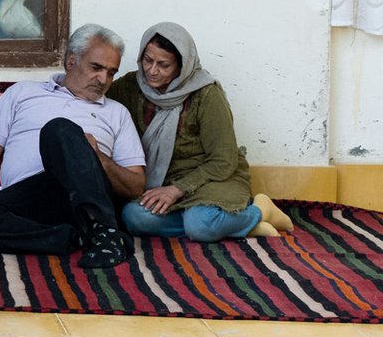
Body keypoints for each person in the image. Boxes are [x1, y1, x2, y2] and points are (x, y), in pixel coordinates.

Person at [0, 24, 147, 268]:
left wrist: (97, 156)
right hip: (27, 198)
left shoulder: (116, 112)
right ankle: (78, 238)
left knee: (59, 130)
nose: (103, 79)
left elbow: (136, 185)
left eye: (111, 72)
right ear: (71, 61)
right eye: (96, 68)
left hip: (81, 199)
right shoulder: (22, 93)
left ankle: (105, 231)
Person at [108, 22, 291, 241]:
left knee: (200, 225)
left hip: (212, 180)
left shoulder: (205, 95)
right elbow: (96, 99)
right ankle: (231, 226)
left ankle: (260, 211)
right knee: (133, 218)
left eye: (164, 64)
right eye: (147, 60)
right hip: (162, 182)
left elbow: (223, 160)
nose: (152, 70)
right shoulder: (131, 86)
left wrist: (177, 190)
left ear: (182, 66)